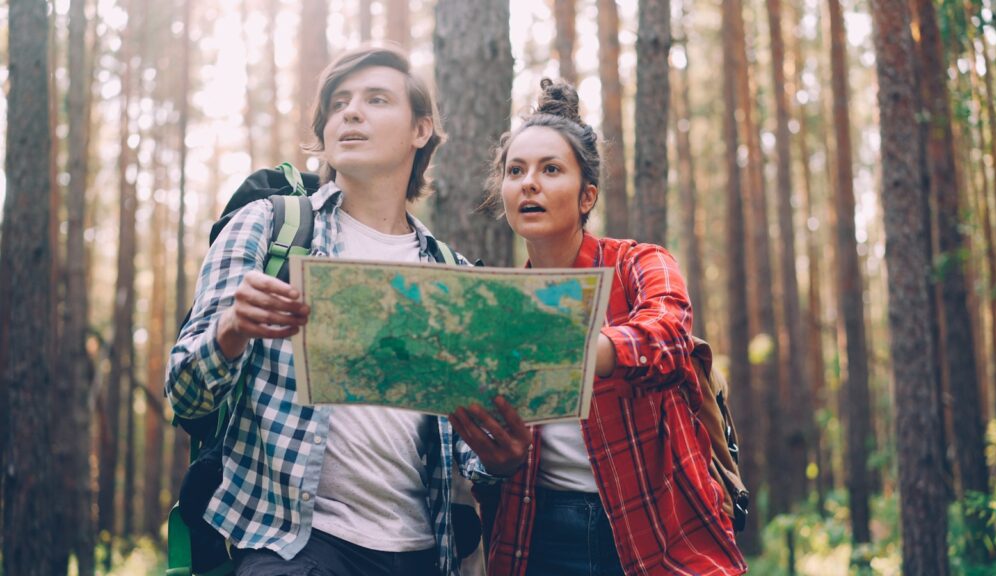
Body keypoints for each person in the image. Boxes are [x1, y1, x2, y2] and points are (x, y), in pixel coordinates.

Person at [165, 45, 531, 576]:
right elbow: (184, 392)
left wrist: (501, 461)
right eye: (338, 104)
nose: (351, 113)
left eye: (376, 99)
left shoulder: (451, 273)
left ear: (420, 130)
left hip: (425, 554)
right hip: (289, 546)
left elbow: (465, 452)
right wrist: (230, 330)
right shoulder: (267, 227)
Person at [481, 79, 748, 576]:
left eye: (550, 169)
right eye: (515, 171)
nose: (528, 183)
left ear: (587, 197)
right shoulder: (495, 304)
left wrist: (588, 349)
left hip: (662, 523)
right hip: (537, 532)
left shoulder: (638, 263)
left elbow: (668, 332)